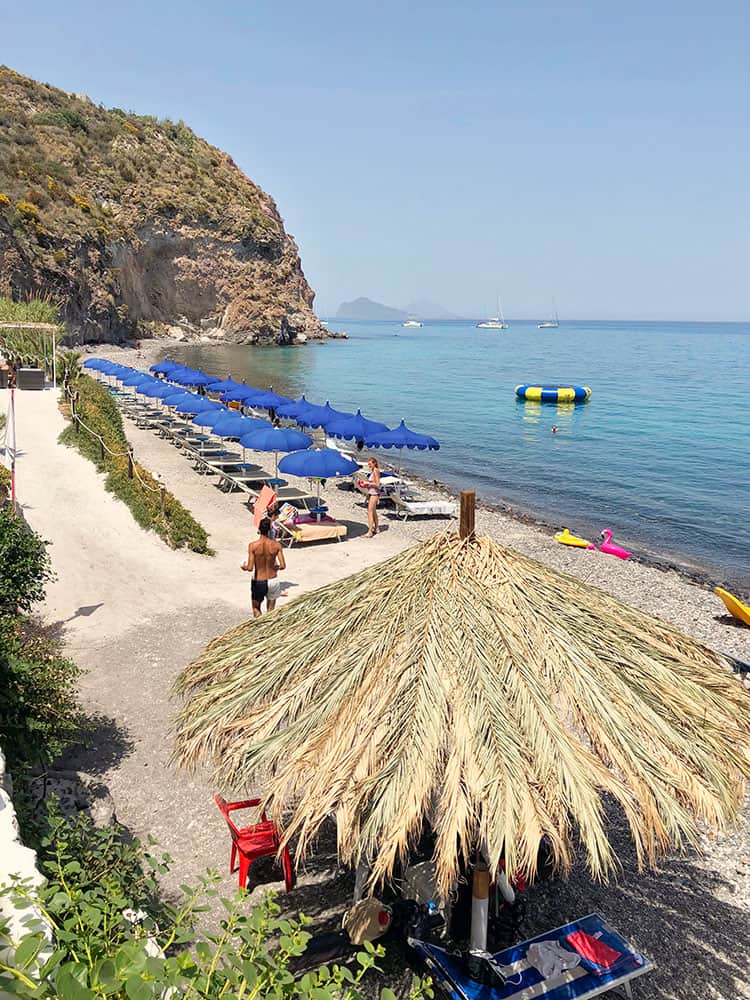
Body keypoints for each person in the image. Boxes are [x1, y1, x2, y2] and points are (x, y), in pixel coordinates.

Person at [241, 517, 286, 617]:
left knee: (256, 608)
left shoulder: (253, 546)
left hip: (259, 581)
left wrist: (244, 567)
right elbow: (282, 566)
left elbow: (250, 568)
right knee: (270, 611)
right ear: (270, 530)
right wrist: (275, 567)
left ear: (259, 530)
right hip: (273, 580)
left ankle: (259, 629)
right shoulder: (276, 545)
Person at [365, 456, 381, 538]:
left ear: (374, 463)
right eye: (368, 464)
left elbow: (378, 484)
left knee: (369, 512)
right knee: (373, 511)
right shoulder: (373, 471)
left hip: (375, 493)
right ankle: (377, 528)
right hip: (372, 493)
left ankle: (370, 531)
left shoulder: (375, 471)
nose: (369, 466)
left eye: (370, 464)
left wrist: (368, 483)